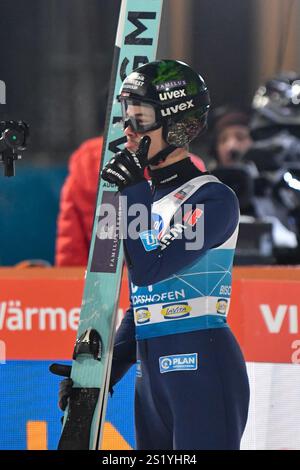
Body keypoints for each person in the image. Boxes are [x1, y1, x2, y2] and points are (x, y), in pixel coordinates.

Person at [51, 59, 250, 450]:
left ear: (179, 125)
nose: (128, 130)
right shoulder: (145, 197)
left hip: (203, 368)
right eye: (127, 118)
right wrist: (102, 375)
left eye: (141, 120)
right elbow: (144, 303)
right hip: (151, 377)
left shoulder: (213, 198)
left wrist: (130, 192)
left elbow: (148, 270)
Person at [54, 138, 205, 267]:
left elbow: (71, 247)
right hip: (168, 287)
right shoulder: (189, 168)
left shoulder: (87, 162)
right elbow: (194, 249)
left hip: (101, 288)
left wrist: (75, 289)